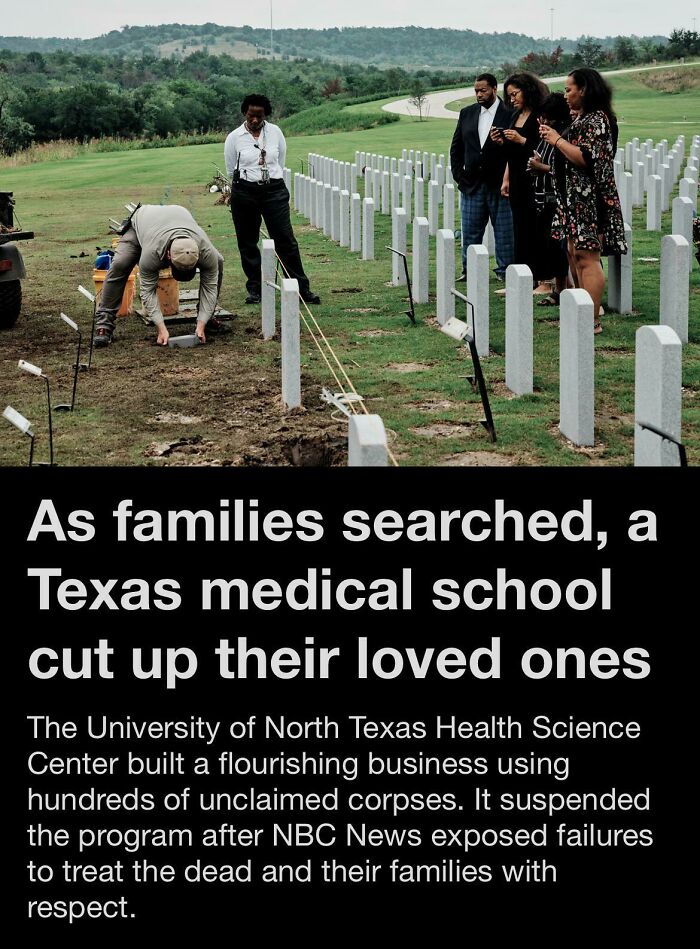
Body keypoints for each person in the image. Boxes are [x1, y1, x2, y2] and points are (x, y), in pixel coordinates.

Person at [539, 68, 627, 333]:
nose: (565, 95)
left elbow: (587, 159)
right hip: (572, 201)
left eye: (568, 89)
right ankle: (581, 310)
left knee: (588, 257)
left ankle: (592, 319)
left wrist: (556, 140)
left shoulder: (597, 119)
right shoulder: (583, 119)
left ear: (584, 90)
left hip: (588, 200)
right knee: (575, 254)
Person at [225, 94, 320, 305]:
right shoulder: (235, 137)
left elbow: (280, 161)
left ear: (265, 114)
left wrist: (271, 182)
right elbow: (231, 168)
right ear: (244, 113)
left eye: (259, 116)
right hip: (245, 191)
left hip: (273, 191)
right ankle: (256, 289)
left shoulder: (275, 132)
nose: (255, 120)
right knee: (247, 242)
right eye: (251, 115)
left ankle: (300, 288)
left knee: (285, 239)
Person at [93, 204, 226, 348]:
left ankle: (207, 317)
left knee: (218, 262)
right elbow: (147, 291)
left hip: (178, 215)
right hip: (142, 224)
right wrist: (161, 328)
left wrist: (201, 324)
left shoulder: (206, 252)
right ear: (168, 256)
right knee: (120, 264)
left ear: (199, 254)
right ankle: (104, 324)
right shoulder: (152, 254)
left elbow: (210, 288)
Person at [449, 73, 514, 282]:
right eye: (476, 90)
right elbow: (456, 148)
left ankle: (505, 271)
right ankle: (469, 270)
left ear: (494, 89)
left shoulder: (510, 113)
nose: (478, 94)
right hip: (472, 184)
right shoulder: (467, 113)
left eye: (483, 90)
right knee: (470, 231)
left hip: (500, 184)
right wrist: (459, 176)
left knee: (504, 232)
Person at [492, 73, 549, 291]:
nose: (512, 99)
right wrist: (501, 142)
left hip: (535, 179)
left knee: (536, 229)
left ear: (528, 90)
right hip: (516, 177)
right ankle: (523, 279)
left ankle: (543, 278)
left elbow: (545, 147)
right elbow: (511, 153)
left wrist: (522, 139)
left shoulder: (540, 115)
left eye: (515, 94)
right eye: (509, 96)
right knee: (520, 229)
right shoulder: (515, 115)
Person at [526, 92, 572, 306]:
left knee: (561, 248)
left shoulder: (564, 134)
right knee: (551, 248)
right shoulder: (546, 134)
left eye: (545, 116)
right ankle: (558, 289)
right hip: (543, 198)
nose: (542, 120)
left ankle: (566, 290)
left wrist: (541, 167)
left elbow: (568, 170)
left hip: (558, 199)